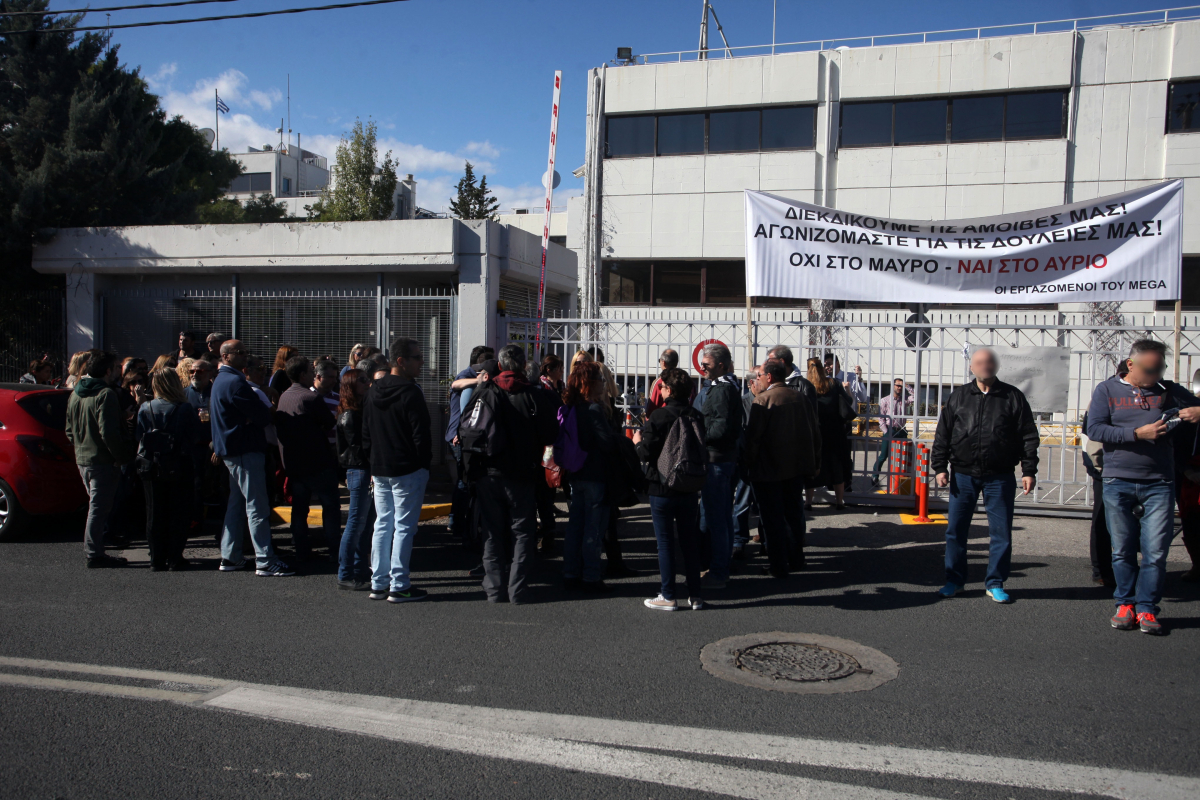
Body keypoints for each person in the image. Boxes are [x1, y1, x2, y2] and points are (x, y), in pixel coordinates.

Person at [1086, 339, 1200, 634]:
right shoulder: (1107, 390)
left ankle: (1147, 608)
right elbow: (1095, 428)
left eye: (1160, 368)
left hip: (1159, 483)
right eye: (1151, 370)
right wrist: (1137, 433)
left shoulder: (1169, 390)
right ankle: (1125, 603)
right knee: (1122, 550)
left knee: (1155, 552)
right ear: (1131, 365)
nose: (1156, 375)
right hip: (1117, 480)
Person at [932, 348, 1039, 604]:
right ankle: (955, 580)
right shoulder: (959, 397)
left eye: (989, 363)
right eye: (979, 363)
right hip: (963, 475)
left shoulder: (1012, 397)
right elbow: (943, 434)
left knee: (1001, 533)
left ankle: (995, 582)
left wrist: (1028, 470)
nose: (985, 367)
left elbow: (1028, 435)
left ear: (996, 366)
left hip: (1000, 476)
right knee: (955, 532)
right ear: (972, 367)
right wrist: (939, 467)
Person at [468, 345, 559, 604]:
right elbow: (551, 435)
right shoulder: (533, 395)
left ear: (500, 364)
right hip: (521, 473)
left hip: (488, 471)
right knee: (523, 532)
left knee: (492, 532)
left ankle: (495, 589)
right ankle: (517, 589)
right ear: (521, 366)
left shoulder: (486, 390)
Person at [211, 339, 293, 576]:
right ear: (226, 356)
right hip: (245, 449)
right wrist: (255, 415)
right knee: (257, 506)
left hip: (232, 450)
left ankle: (231, 556)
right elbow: (263, 416)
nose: (245, 356)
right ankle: (265, 559)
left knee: (237, 506)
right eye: (240, 353)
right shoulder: (236, 382)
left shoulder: (222, 380)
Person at [363, 337, 432, 604]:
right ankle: (399, 584)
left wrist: (372, 462)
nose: (421, 362)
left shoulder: (372, 390)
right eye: (417, 357)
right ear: (401, 361)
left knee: (383, 524)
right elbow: (421, 435)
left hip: (380, 468)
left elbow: (366, 432)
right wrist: (422, 464)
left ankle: (378, 583)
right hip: (407, 469)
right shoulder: (411, 392)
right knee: (403, 527)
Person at [633, 367, 706, 610]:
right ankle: (695, 595)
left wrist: (636, 442)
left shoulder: (659, 417)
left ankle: (668, 595)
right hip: (689, 484)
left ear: (669, 390)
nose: (661, 390)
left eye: (663, 387)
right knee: (689, 541)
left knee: (665, 542)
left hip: (662, 484)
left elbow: (647, 452)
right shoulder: (696, 415)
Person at [743, 358, 821, 578]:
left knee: (772, 520)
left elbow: (753, 439)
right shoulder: (802, 398)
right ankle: (796, 559)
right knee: (794, 515)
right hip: (796, 468)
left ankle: (778, 565)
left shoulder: (763, 401)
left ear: (769, 377)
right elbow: (815, 432)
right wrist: (815, 461)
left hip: (769, 470)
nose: (756, 379)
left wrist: (748, 465)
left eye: (759, 375)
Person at [66, 350, 134, 568]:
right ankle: (94, 553)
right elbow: (108, 432)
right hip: (103, 460)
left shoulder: (76, 393)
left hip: (83, 458)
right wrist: (121, 457)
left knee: (96, 506)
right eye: (115, 368)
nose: (117, 371)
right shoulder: (105, 394)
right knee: (99, 508)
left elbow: (69, 430)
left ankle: (94, 550)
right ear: (106, 370)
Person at [275, 355, 340, 562]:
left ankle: (301, 547)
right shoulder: (310, 398)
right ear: (303, 375)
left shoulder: (284, 396)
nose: (313, 375)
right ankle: (334, 548)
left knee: (300, 507)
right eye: (311, 372)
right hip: (317, 463)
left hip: (294, 464)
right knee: (330, 506)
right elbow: (329, 422)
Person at [135, 368, 201, 571]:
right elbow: (194, 438)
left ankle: (156, 558)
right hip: (179, 464)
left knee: (154, 512)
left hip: (151, 465)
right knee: (179, 512)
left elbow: (139, 437)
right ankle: (175, 557)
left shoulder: (145, 407)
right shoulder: (184, 409)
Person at [560, 360, 616, 593]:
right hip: (594, 473)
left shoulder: (570, 407)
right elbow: (607, 443)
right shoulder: (593, 409)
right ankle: (591, 576)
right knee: (593, 528)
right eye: (600, 380)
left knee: (575, 526)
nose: (604, 384)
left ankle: (571, 572)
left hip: (575, 472)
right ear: (590, 383)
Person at [697, 342, 743, 590]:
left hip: (717, 460)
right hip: (719, 460)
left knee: (717, 519)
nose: (702, 367)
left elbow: (722, 427)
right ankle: (717, 567)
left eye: (707, 364)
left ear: (721, 365)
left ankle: (718, 572)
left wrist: (699, 435)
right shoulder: (722, 387)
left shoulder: (723, 390)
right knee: (720, 517)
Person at [335, 369, 374, 590]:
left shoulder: (359, 410)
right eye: (362, 380)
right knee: (355, 523)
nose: (367, 383)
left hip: (362, 470)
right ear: (350, 385)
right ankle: (345, 573)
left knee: (365, 524)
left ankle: (359, 570)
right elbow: (359, 446)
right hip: (359, 470)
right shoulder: (349, 415)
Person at [804, 357, 851, 509]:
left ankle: (808, 502)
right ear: (822, 368)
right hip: (835, 432)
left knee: (812, 467)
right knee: (836, 466)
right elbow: (848, 402)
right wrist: (848, 389)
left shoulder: (806, 386)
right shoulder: (834, 383)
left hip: (814, 432)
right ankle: (839, 502)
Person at [732, 364, 763, 557]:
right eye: (761, 377)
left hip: (765, 462)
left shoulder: (769, 400)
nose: (767, 379)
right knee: (742, 503)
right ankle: (738, 540)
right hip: (747, 462)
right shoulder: (743, 403)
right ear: (752, 382)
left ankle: (765, 539)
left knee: (765, 505)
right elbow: (740, 432)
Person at [536, 353, 565, 553]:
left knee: (548, 487)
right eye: (558, 368)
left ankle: (548, 534)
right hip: (544, 446)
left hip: (550, 446)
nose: (561, 372)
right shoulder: (543, 388)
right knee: (543, 489)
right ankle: (546, 534)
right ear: (549, 369)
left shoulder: (559, 386)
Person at [871, 378, 915, 487]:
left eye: (901, 386)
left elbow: (915, 398)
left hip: (902, 430)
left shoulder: (904, 400)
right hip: (890, 429)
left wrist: (907, 386)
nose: (899, 388)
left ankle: (905, 478)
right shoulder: (885, 400)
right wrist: (886, 431)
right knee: (884, 455)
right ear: (893, 386)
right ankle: (875, 476)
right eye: (897, 385)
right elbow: (881, 418)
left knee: (907, 454)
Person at [645, 349, 696, 416]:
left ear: (663, 362)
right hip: (685, 419)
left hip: (663, 420)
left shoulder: (660, 382)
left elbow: (651, 408)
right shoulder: (687, 380)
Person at [313, 358, 341, 447]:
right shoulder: (306, 396)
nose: (335, 381)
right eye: (331, 377)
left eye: (335, 377)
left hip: (333, 450)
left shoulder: (338, 399)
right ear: (318, 377)